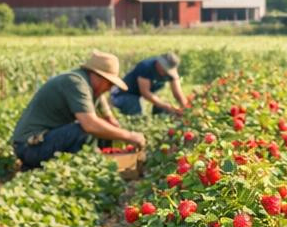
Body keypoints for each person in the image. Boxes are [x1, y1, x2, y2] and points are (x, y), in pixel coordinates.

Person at [11, 50, 147, 170]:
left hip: (44, 143)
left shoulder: (94, 90)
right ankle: (85, 167)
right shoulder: (77, 83)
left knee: (106, 131)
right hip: (29, 148)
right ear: (98, 76)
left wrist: (123, 139)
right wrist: (129, 136)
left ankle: (104, 164)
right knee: (83, 130)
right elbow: (90, 125)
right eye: (110, 83)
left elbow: (110, 121)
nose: (110, 88)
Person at [111, 52, 190, 117]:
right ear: (158, 62)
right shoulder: (146, 67)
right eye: (163, 68)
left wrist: (186, 109)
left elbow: (178, 93)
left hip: (139, 97)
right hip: (124, 95)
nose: (164, 72)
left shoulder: (170, 73)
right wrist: (166, 106)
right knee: (136, 112)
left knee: (164, 109)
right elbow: (145, 93)